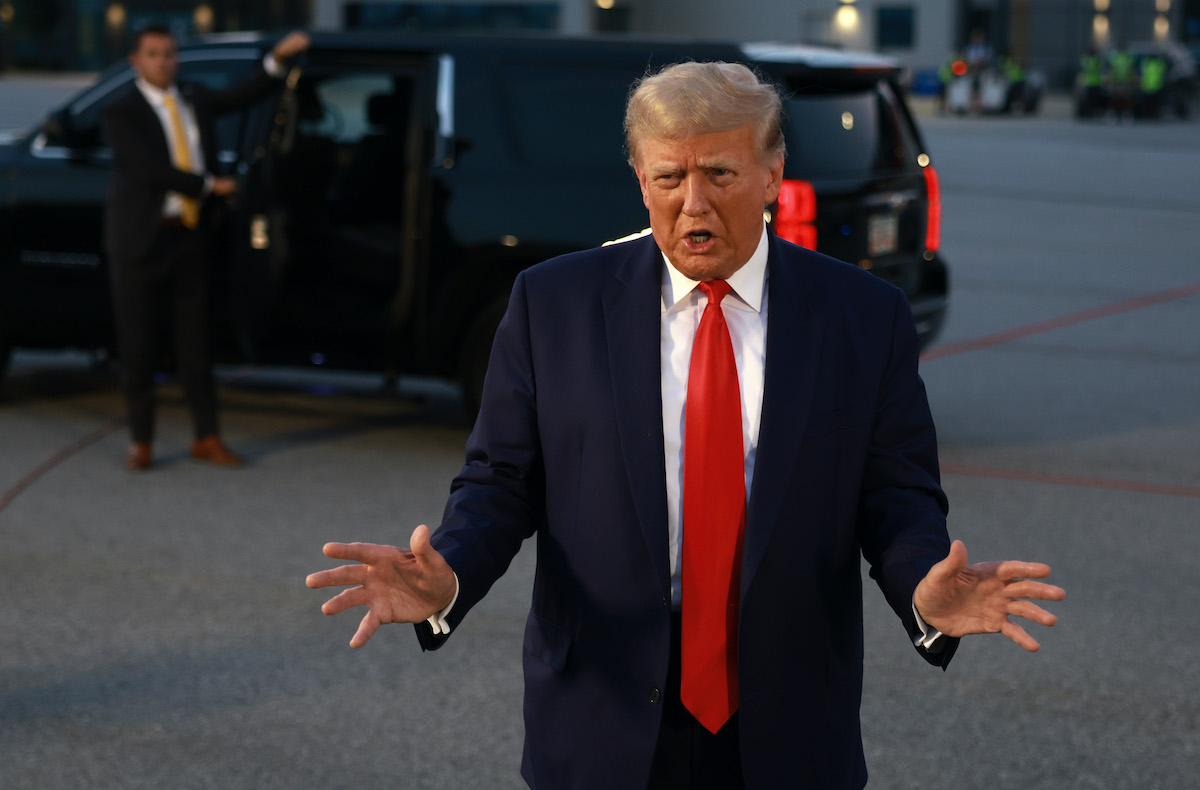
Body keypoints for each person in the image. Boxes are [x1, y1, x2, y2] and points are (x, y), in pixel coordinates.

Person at [306, 62, 1064, 789]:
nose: (693, 203)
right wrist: (451, 573)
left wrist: (923, 593)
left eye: (721, 175)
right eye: (669, 177)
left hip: (788, 717)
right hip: (600, 708)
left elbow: (896, 496)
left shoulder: (863, 318)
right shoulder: (553, 305)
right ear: (641, 179)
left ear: (772, 174)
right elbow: (500, 482)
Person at [101, 26, 310, 471]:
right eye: (154, 54)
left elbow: (241, 96)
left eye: (170, 54)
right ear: (136, 61)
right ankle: (141, 441)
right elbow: (147, 170)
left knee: (196, 345)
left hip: (191, 237)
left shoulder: (193, 95)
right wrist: (210, 185)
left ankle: (207, 436)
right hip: (142, 239)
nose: (164, 61)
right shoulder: (121, 112)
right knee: (137, 346)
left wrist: (277, 57)